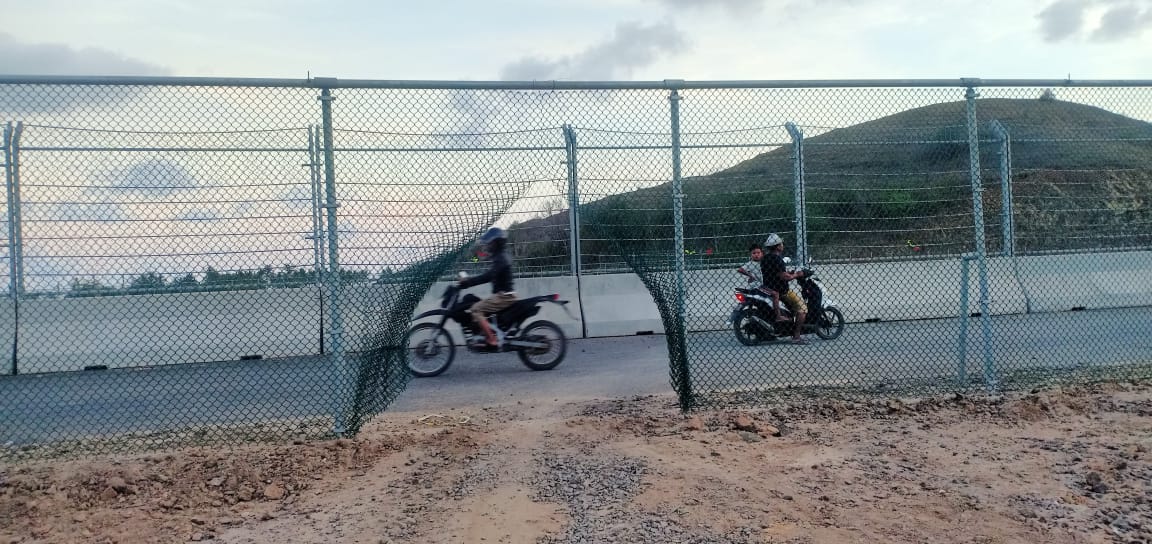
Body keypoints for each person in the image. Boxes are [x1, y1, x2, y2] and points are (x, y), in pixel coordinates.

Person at [458, 227, 516, 349]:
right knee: (473, 301)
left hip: (504, 297)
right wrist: (473, 259)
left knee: (476, 309)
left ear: (497, 243)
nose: (488, 245)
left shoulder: (500, 259)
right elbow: (481, 257)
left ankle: (492, 339)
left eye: (490, 242)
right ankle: (484, 333)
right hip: (501, 295)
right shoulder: (498, 256)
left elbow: (488, 276)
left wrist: (468, 282)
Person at [760, 233, 808, 344]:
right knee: (802, 309)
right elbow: (784, 277)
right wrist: (798, 274)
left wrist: (789, 273)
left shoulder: (765, 258)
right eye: (781, 243)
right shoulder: (777, 259)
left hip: (768, 288)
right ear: (777, 246)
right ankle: (796, 336)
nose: (783, 245)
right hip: (782, 291)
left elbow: (775, 273)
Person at [737, 244, 783, 322]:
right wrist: (750, 275)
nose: (756, 255)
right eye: (754, 253)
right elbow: (740, 269)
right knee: (775, 294)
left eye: (758, 253)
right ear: (751, 255)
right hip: (758, 287)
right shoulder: (750, 264)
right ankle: (778, 316)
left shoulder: (764, 261)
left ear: (762, 253)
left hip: (764, 285)